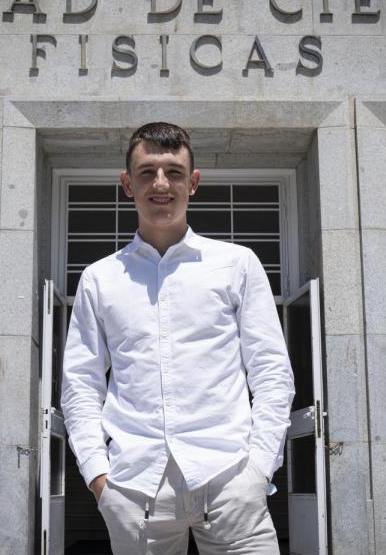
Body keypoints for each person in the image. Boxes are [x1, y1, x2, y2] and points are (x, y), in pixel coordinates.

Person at [60, 122, 295, 554]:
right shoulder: (100, 278)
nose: (161, 184)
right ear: (127, 185)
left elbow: (271, 373)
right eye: (147, 172)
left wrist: (260, 467)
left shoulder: (237, 264)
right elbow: (81, 385)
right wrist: (99, 478)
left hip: (230, 480)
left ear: (194, 182)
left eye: (174, 171)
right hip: (134, 488)